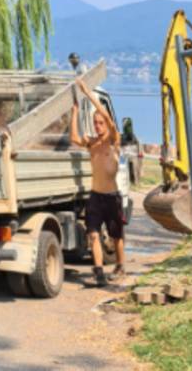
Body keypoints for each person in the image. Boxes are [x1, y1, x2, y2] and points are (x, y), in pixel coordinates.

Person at [70, 78, 125, 286]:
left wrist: (87, 92)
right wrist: (75, 111)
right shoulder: (92, 143)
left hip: (112, 197)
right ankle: (99, 272)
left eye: (100, 122)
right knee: (93, 235)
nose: (98, 125)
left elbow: (107, 118)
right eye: (95, 123)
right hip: (95, 196)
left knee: (116, 237)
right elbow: (74, 137)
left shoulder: (113, 139)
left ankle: (120, 266)